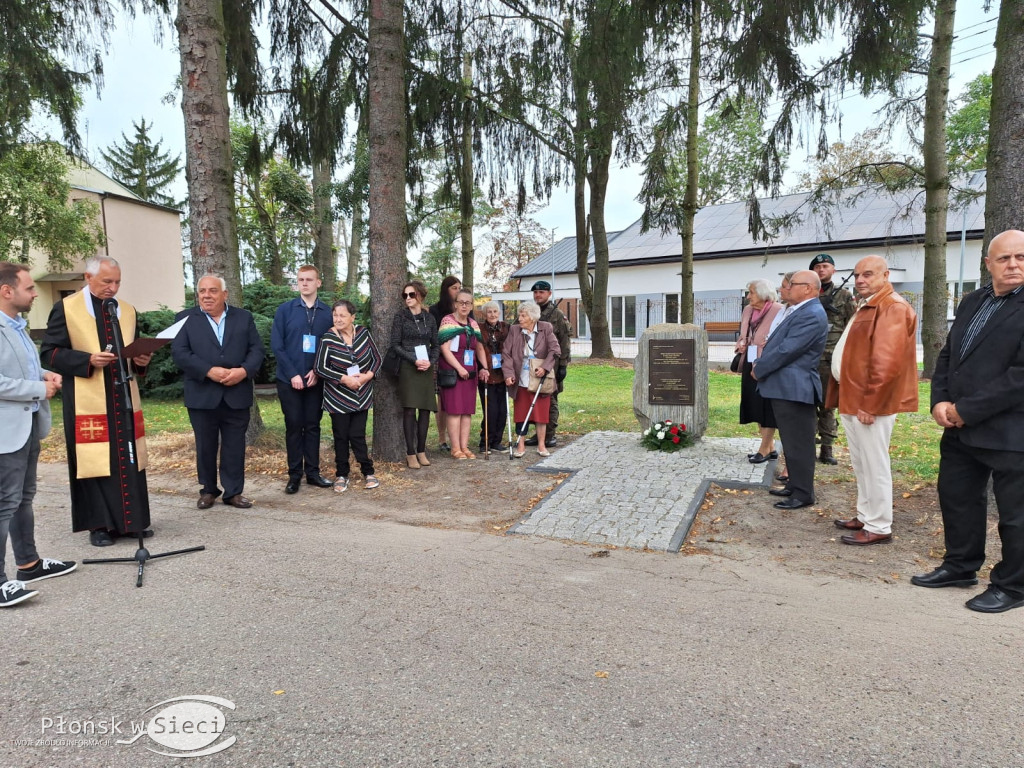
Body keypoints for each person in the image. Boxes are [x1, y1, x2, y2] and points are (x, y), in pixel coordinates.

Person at [912, 229, 1024, 613]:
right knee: (958, 499)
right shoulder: (973, 301)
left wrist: (966, 409)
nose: (1013, 265)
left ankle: (1013, 586)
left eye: (1021, 257)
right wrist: (940, 399)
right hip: (960, 428)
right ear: (988, 263)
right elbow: (948, 355)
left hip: (1011, 430)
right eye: (1004, 258)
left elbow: (1020, 377)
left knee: (1016, 514)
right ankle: (960, 565)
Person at [40, 255, 155, 547]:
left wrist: (141, 361)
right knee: (96, 462)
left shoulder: (126, 310)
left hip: (123, 398)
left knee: (128, 458)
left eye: (117, 282)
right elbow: (49, 353)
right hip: (86, 401)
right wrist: (87, 359)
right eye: (107, 282)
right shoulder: (65, 309)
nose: (113, 288)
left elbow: (133, 353)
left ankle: (133, 522)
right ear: (88, 278)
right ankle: (100, 525)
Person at [825, 256, 918, 546]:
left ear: (886, 275)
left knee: (874, 463)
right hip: (854, 397)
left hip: (870, 403)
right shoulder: (870, 303)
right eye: (856, 275)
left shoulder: (892, 307)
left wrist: (871, 403)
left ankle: (879, 525)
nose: (860, 280)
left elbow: (886, 363)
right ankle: (866, 515)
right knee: (861, 462)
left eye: (868, 274)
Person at [0, 263, 76, 606]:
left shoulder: (16, 326)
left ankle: (28, 564)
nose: (33, 294)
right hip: (5, 430)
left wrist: (45, 375)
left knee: (22, 497)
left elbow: (21, 367)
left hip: (27, 424)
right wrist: (36, 388)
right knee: (4, 503)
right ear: (7, 291)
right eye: (29, 288)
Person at [171, 274, 265, 510]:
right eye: (202, 291)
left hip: (236, 392)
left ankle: (233, 492)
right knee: (205, 445)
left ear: (225, 294)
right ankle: (208, 490)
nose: (206, 295)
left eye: (213, 291)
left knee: (235, 446)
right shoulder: (184, 319)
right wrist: (208, 370)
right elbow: (180, 353)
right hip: (202, 394)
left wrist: (243, 372)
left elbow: (256, 350)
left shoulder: (243, 318)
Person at [752, 270, 828, 510]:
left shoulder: (812, 313)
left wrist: (760, 368)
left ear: (808, 288)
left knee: (799, 443)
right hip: (786, 387)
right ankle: (795, 485)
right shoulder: (800, 310)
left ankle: (804, 493)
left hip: (796, 388)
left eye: (792, 284)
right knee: (791, 440)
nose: (786, 288)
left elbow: (787, 350)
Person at [271, 265, 334, 494]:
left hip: (316, 380)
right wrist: (293, 374)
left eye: (309, 280)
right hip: (290, 380)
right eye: (300, 280)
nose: (304, 283)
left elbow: (330, 347)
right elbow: (277, 346)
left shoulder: (327, 313)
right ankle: (294, 475)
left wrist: (318, 371)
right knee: (294, 426)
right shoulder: (285, 311)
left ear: (318, 282)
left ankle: (313, 473)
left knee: (313, 425)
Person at [315, 300, 381, 491]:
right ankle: (341, 475)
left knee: (357, 435)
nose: (338, 319)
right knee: (341, 436)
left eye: (342, 315)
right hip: (338, 397)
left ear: (353, 317)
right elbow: (320, 367)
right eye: (335, 315)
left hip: (361, 393)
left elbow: (377, 359)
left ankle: (368, 472)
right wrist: (344, 379)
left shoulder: (363, 333)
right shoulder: (328, 338)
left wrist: (367, 376)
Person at [809, 253, 856, 465]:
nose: (821, 270)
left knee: (828, 405)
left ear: (833, 270)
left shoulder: (844, 295)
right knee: (807, 404)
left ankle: (827, 447)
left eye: (825, 266)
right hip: (808, 357)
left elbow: (851, 325)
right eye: (817, 266)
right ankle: (808, 444)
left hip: (830, 357)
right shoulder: (807, 294)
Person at [502, 301, 561, 458]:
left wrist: (546, 368)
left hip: (539, 378)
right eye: (519, 315)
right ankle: (520, 445)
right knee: (521, 414)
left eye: (523, 315)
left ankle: (541, 445)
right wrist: (508, 374)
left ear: (533, 317)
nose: (519, 318)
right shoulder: (515, 330)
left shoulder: (545, 328)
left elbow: (555, 350)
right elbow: (506, 353)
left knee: (541, 414)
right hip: (520, 377)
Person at [390, 280, 439, 469]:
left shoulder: (430, 318)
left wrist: (430, 362)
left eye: (411, 294)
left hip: (425, 367)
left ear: (420, 295)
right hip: (408, 367)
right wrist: (413, 359)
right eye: (405, 295)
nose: (408, 298)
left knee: (425, 410)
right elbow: (395, 344)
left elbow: (436, 345)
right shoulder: (400, 317)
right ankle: (410, 453)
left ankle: (421, 450)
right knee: (410, 410)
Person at [736, 279, 783, 464]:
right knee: (755, 403)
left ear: (764, 294)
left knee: (766, 405)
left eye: (752, 292)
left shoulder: (779, 310)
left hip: (767, 362)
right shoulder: (748, 310)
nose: (748, 296)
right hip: (750, 359)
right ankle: (770, 447)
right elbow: (745, 333)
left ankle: (764, 448)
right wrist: (742, 342)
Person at [437, 288, 488, 459]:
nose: (464, 306)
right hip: (453, 372)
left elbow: (479, 347)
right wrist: (459, 368)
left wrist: (485, 367)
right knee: (454, 410)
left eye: (468, 303)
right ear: (455, 304)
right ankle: (455, 448)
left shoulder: (473, 324)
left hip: (470, 372)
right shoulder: (447, 321)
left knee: (466, 411)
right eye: (461, 302)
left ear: (472, 305)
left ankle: (465, 447)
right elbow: (444, 348)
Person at [523, 280, 570, 448]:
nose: (538, 295)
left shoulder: (557, 315)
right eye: (535, 292)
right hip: (533, 363)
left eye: (541, 292)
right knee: (535, 397)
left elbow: (564, 341)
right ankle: (539, 433)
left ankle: (550, 434)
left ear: (549, 293)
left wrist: (563, 365)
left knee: (550, 398)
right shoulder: (529, 312)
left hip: (552, 363)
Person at [429, 275, 462, 451]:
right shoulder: (435, 310)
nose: (457, 290)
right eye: (454, 288)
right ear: (446, 290)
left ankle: (456, 436)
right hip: (441, 358)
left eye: (459, 287)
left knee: (456, 400)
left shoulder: (464, 309)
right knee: (442, 400)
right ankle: (442, 439)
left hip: (461, 358)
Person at [477, 300, 510, 453]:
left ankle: (497, 441)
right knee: (491, 410)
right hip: (487, 373)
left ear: (499, 313)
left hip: (502, 374)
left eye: (495, 311)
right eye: (489, 312)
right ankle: (485, 442)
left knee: (502, 410)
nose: (492, 314)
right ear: (484, 314)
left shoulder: (505, 328)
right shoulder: (480, 328)